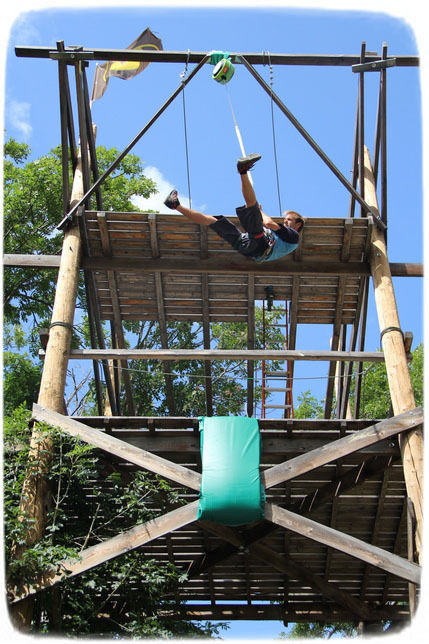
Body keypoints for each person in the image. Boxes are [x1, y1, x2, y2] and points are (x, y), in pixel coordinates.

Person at [163, 153, 305, 263]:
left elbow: (268, 223)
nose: (285, 222)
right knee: (212, 221)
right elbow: (267, 224)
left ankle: (243, 170)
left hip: (258, 245)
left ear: (298, 224)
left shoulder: (293, 235)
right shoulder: (284, 239)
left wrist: (260, 212)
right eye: (286, 219)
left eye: (289, 220)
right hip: (245, 245)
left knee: (252, 206)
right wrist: (259, 214)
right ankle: (175, 205)